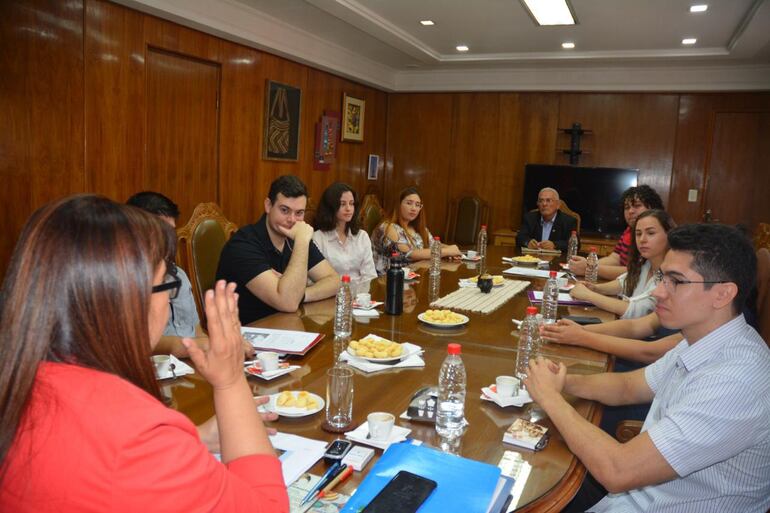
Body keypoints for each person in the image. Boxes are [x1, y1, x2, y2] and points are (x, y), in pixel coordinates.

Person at [0, 195, 288, 512]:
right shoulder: (135, 439)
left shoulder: (19, 384)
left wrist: (189, 438)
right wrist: (231, 381)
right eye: (165, 286)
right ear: (127, 301)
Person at [526, 223, 770, 513]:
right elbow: (628, 387)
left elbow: (619, 471)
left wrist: (552, 399)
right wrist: (563, 382)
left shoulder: (735, 381)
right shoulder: (702, 340)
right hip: (636, 498)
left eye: (675, 281)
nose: (657, 292)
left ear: (722, 294)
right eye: (661, 278)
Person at [127, 191, 255, 359]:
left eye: (171, 233)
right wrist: (197, 346)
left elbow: (197, 332)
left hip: (192, 366)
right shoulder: (121, 280)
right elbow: (137, 342)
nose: (168, 242)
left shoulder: (178, 275)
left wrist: (217, 349)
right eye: (160, 233)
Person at [216, 175, 339, 325]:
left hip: (285, 326)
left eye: (299, 213)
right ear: (268, 206)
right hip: (245, 336)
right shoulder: (242, 244)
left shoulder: (296, 236)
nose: (292, 220)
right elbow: (288, 302)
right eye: (285, 210)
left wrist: (302, 294)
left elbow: (334, 281)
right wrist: (301, 242)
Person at [570, 209, 674, 319]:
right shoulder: (647, 263)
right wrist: (596, 288)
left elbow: (639, 310)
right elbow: (624, 282)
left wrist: (589, 295)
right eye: (638, 234)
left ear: (669, 235)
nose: (642, 239)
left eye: (651, 233)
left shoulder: (672, 272)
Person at [569, 184, 664, 280]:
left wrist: (589, 268)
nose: (630, 211)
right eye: (627, 207)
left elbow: (636, 272)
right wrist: (588, 263)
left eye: (637, 206)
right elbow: (615, 258)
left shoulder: (658, 234)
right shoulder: (628, 230)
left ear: (652, 207)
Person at [372, 186, 461, 274]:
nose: (414, 208)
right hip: (388, 281)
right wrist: (447, 251)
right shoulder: (388, 227)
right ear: (398, 204)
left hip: (414, 278)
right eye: (409, 203)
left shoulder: (419, 229)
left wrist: (451, 251)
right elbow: (409, 254)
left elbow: (435, 245)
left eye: (418, 205)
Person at [312, 182, 377, 283]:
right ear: (330, 207)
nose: (348, 209)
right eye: (342, 204)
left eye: (351, 204)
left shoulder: (362, 236)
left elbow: (370, 275)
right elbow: (314, 280)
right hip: (332, 294)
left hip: (360, 294)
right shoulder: (317, 238)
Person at [515, 187, 577, 251]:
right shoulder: (530, 218)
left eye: (548, 200)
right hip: (534, 258)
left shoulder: (569, 221)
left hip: (556, 259)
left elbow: (574, 244)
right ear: (537, 204)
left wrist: (555, 245)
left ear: (558, 205)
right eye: (541, 201)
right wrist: (528, 242)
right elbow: (520, 237)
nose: (544, 204)